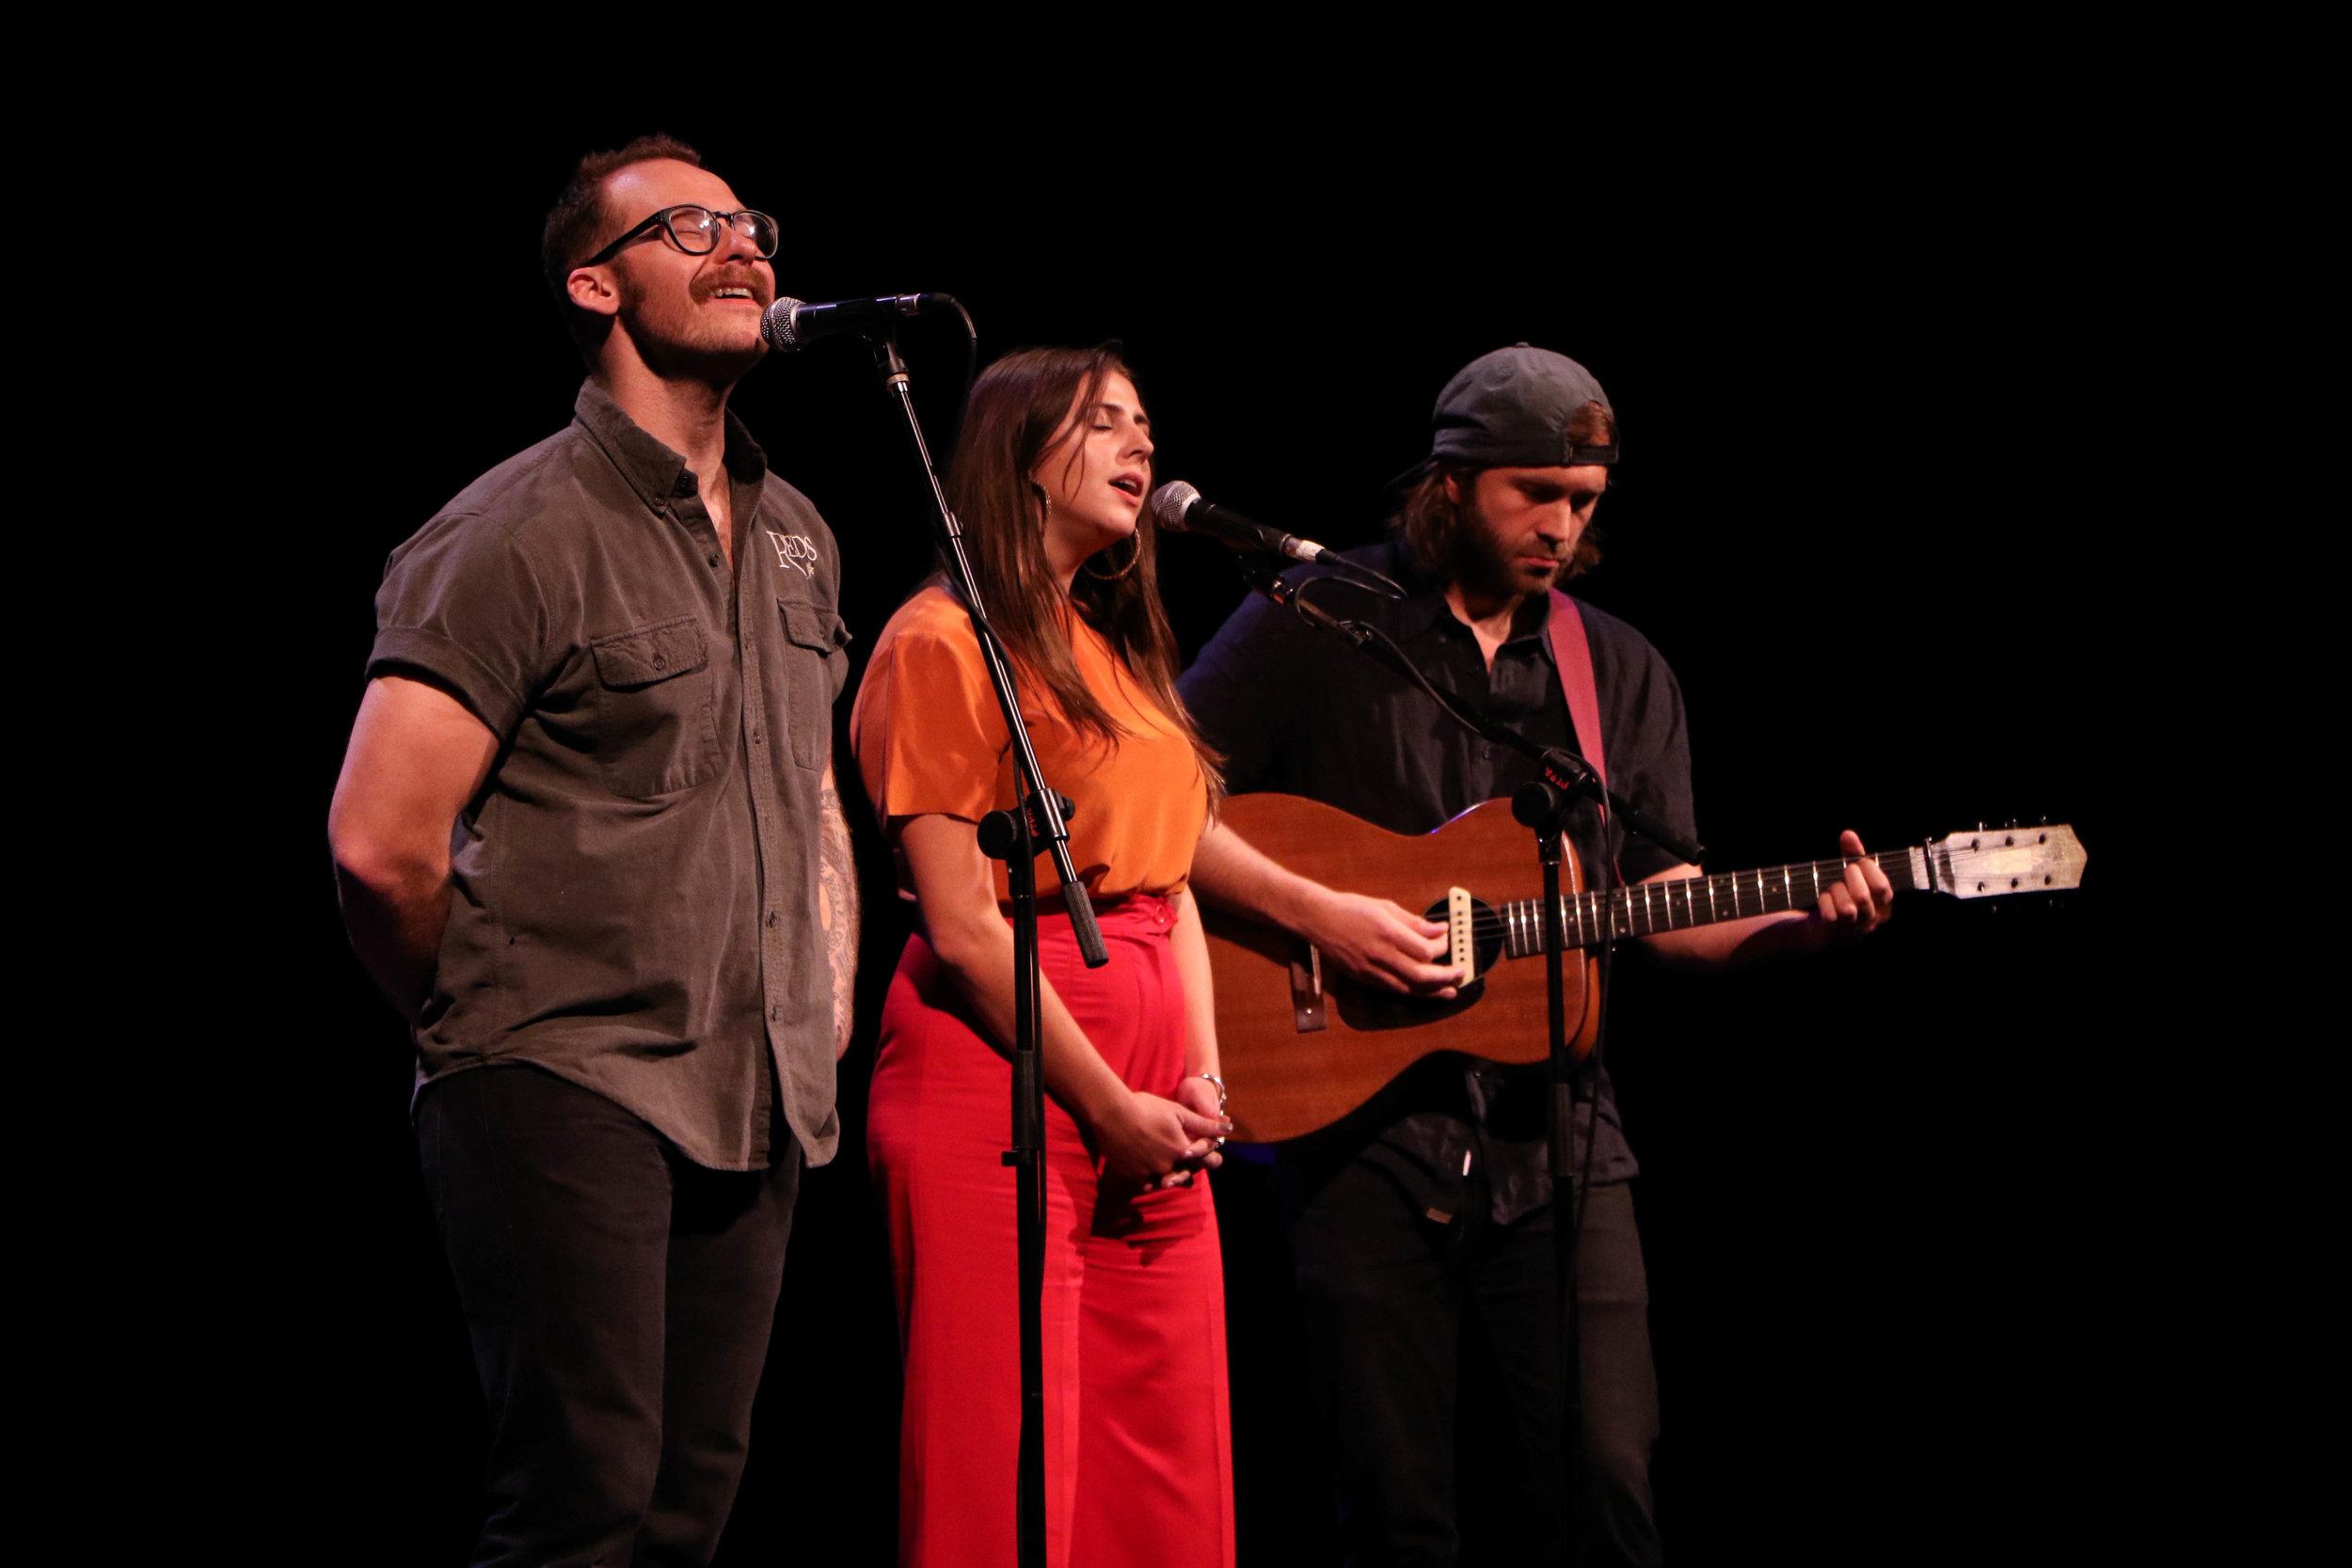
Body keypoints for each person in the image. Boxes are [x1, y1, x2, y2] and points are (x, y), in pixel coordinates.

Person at [1178, 344, 1894, 1567]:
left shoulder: (1613, 665)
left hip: (1561, 1139)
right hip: (1357, 1132)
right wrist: (1322, 913)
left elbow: (1658, 899)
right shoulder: (1316, 618)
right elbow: (1157, 800)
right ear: (1452, 483)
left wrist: (1800, 923)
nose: (1564, 527)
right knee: (1394, 1510)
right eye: (1538, 495)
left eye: (1585, 503)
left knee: (1609, 1490)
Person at [326, 135, 857, 1568]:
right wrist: (499, 1018)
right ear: (594, 285)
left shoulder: (800, 535)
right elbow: (380, 846)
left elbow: (810, 798)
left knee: (690, 1509)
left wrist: (821, 1007)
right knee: (583, 1504)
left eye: (750, 222)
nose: (741, 245)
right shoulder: (514, 530)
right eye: (689, 227)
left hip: (756, 1085)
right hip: (563, 1073)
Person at [850, 345, 1236, 1568]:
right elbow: (963, 926)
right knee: (1005, 1475)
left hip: (1159, 1108)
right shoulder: (941, 643)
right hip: (1002, 1090)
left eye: (1147, 425)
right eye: (1105, 422)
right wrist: (1110, 1101)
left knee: (1164, 1473)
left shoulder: (1112, 651)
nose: (1142, 446)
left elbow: (1171, 883)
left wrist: (1204, 1081)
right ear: (1021, 456)